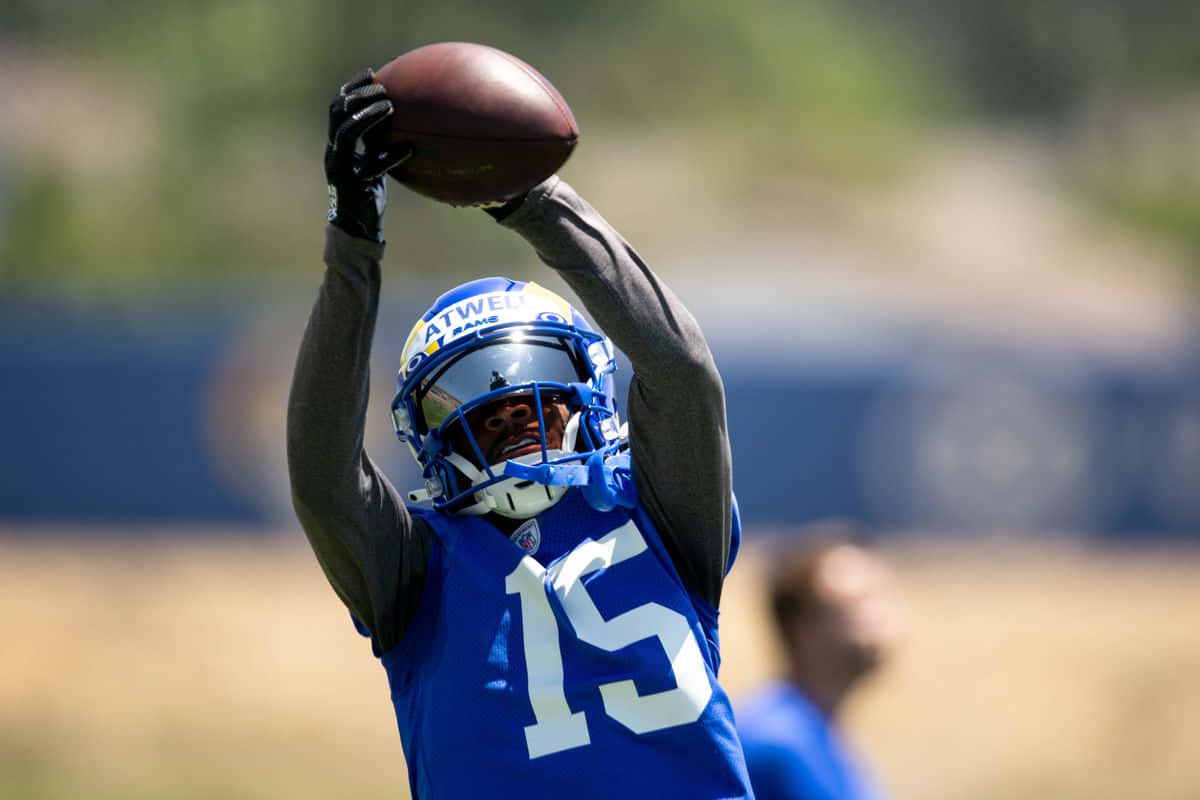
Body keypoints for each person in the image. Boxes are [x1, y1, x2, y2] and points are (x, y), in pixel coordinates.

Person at [287, 69, 754, 799]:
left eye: (533, 399)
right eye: (476, 412)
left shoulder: (664, 513)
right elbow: (323, 475)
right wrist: (353, 241)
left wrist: (528, 195)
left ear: (584, 391)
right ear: (432, 436)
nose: (510, 418)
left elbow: (681, 370)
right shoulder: (420, 566)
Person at [736, 532, 900, 800]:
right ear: (802, 629)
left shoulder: (821, 734)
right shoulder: (778, 743)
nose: (882, 617)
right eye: (858, 602)